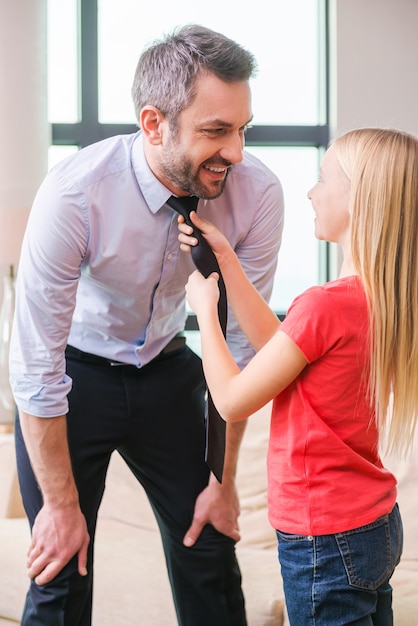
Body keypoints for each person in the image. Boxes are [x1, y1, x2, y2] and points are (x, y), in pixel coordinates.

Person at [9, 24, 284, 626]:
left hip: (167, 371)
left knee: (210, 547)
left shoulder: (257, 193)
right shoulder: (76, 193)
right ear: (154, 123)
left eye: (243, 129)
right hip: (74, 377)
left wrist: (225, 480)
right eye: (215, 131)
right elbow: (35, 361)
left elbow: (241, 349)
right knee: (61, 564)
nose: (235, 152)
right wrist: (59, 504)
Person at [180, 127, 418, 625]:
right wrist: (226, 260)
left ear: (360, 199)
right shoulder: (377, 302)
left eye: (323, 178)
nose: (311, 191)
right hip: (374, 523)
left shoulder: (324, 305)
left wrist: (205, 312)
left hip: (324, 538)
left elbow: (230, 400)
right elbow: (278, 345)